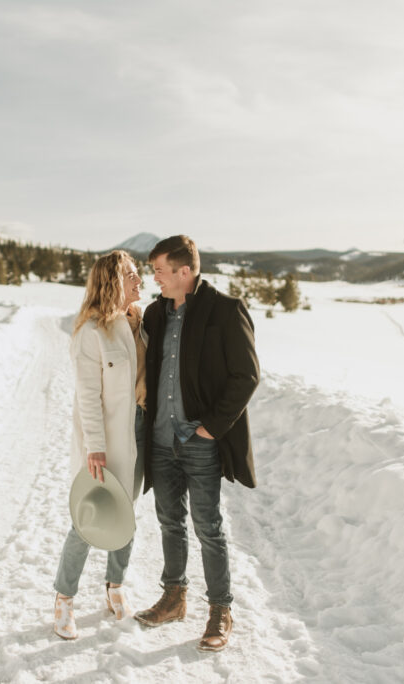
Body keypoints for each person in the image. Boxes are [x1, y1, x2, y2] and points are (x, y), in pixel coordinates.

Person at [134, 235, 259, 653]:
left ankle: (220, 609)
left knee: (208, 527)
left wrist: (210, 428)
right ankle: (174, 598)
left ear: (185, 272)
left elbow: (246, 376)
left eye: (161, 271)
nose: (156, 279)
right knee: (170, 522)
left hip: (200, 442)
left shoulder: (225, 311)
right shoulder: (154, 313)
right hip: (161, 440)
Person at [52, 250, 147, 640]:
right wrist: (95, 447)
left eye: (139, 272)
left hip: (139, 434)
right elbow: (87, 396)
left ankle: (115, 587)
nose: (138, 279)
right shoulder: (91, 332)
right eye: (131, 274)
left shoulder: (140, 324)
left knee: (127, 516)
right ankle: (64, 598)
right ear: (111, 282)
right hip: (105, 441)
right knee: (88, 519)